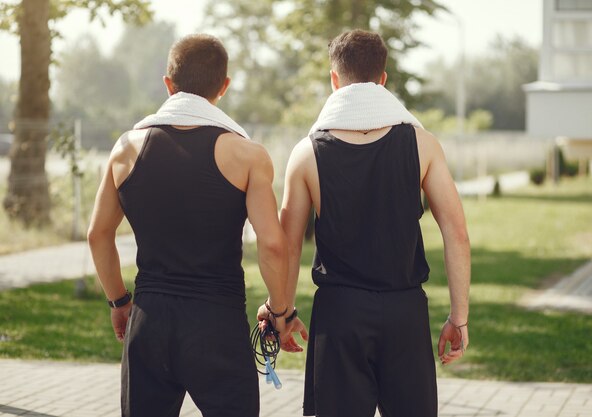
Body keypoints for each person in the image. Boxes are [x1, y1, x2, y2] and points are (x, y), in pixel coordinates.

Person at [87, 34, 290, 417]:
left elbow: (98, 234)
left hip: (149, 319)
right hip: (218, 323)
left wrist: (118, 301)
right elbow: (273, 245)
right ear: (223, 87)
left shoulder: (126, 149)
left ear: (169, 84)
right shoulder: (247, 155)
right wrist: (280, 311)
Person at [278, 29, 471, 417]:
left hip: (339, 314)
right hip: (405, 313)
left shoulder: (306, 153)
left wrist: (281, 311)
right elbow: (456, 232)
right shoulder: (423, 143)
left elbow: (286, 243)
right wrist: (458, 317)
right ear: (383, 79)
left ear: (335, 79)